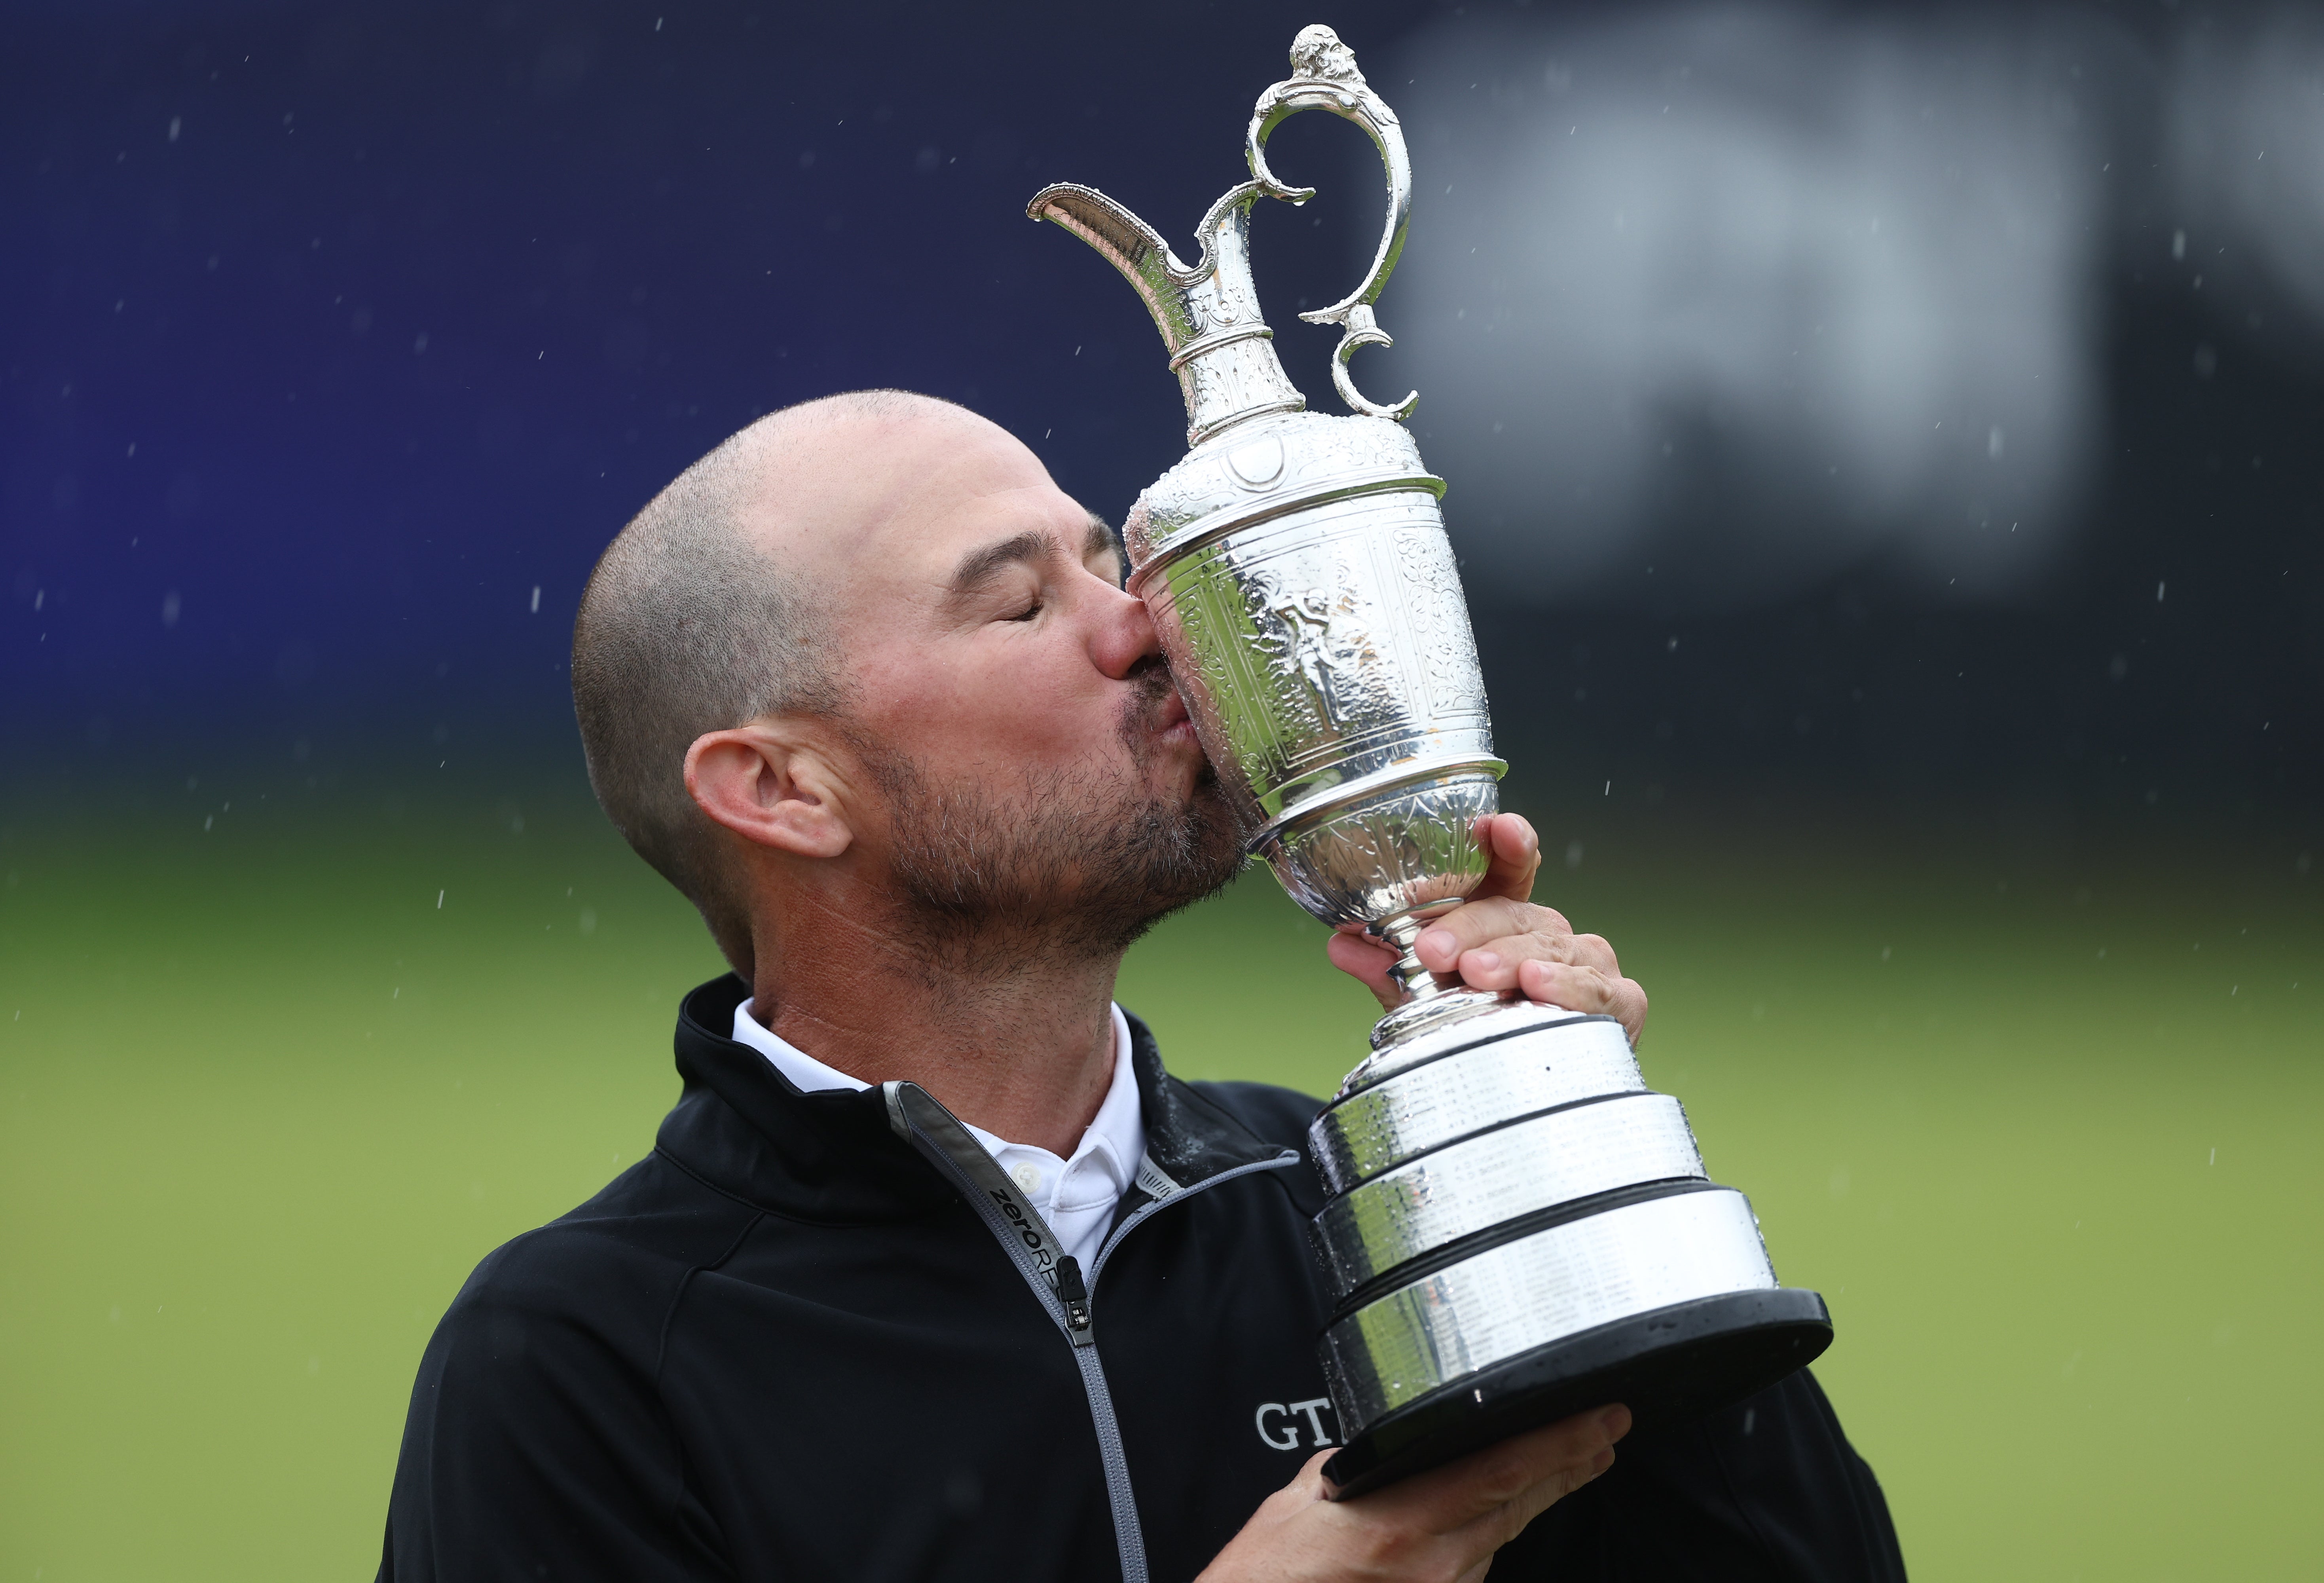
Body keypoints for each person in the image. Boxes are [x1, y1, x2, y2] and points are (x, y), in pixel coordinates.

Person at [378, 390, 1905, 1581]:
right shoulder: (582, 1363)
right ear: (784, 789)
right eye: (1020, 604)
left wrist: (1574, 1163)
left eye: (1106, 560)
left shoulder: (1349, 1209)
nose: (1146, 623)